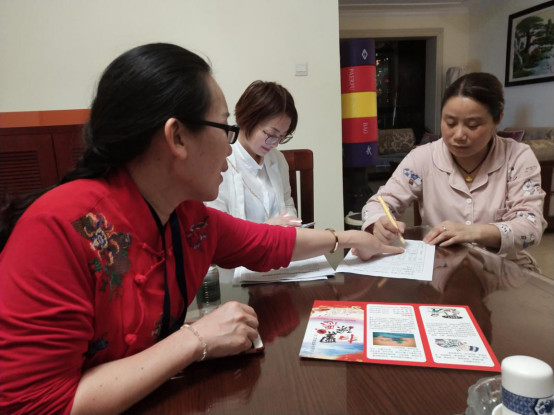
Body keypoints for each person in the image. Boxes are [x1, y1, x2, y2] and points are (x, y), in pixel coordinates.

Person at [0, 43, 403, 415]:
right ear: (177, 137)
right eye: (225, 128)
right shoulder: (58, 229)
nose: (230, 146)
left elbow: (269, 242)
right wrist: (195, 340)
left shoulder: (188, 218)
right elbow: (35, 404)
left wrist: (348, 238)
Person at [361, 72, 547, 255]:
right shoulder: (423, 158)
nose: (458, 135)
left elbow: (530, 227)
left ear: (498, 119)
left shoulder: (517, 157)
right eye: (450, 123)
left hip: (503, 265)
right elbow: (380, 203)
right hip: (441, 265)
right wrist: (380, 221)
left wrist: (475, 232)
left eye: (472, 125)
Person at [206, 80, 301, 226]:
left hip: (282, 240)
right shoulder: (220, 162)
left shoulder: (277, 159)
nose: (275, 144)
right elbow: (217, 227)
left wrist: (291, 223)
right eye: (271, 134)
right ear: (248, 119)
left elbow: (287, 203)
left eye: (282, 137)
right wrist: (269, 229)